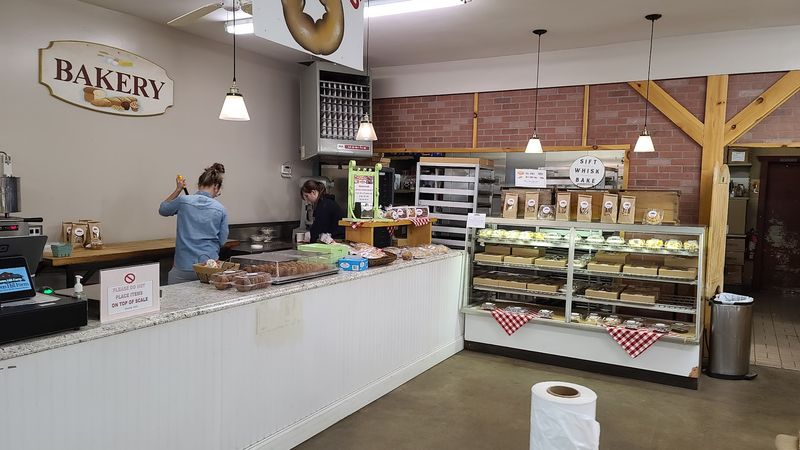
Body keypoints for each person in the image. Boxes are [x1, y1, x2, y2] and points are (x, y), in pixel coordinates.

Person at [159, 163, 229, 284]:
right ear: (216, 186)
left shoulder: (184, 201)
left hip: (183, 267)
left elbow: (163, 210)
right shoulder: (221, 209)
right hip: (209, 267)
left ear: (199, 184)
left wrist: (178, 189)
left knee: (176, 301)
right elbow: (222, 240)